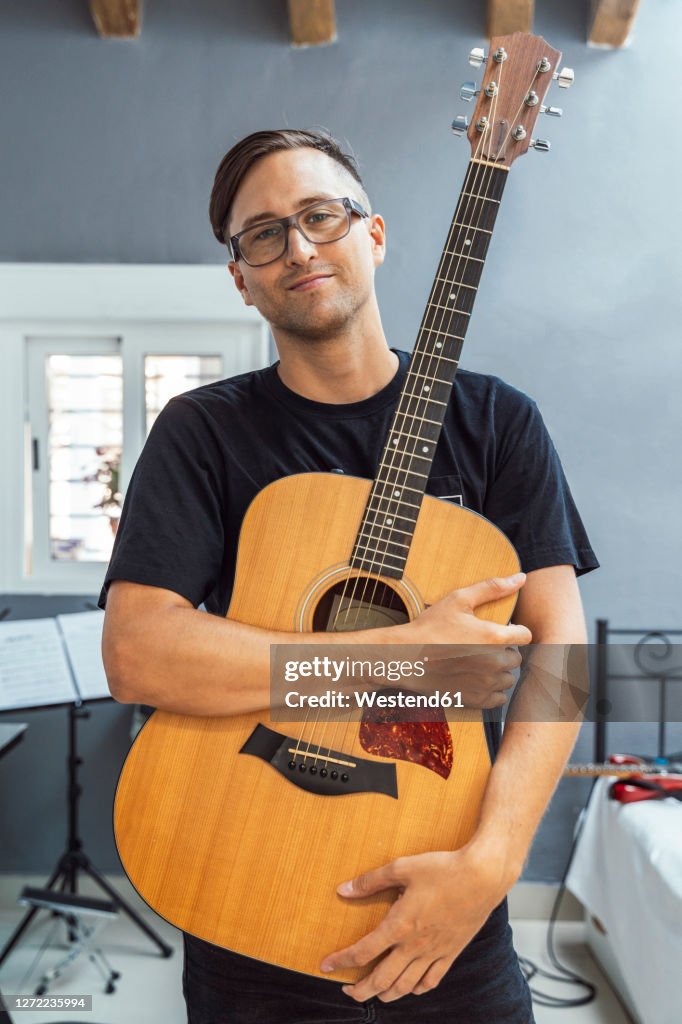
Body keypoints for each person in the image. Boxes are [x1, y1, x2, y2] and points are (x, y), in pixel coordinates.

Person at [100, 128, 598, 1023]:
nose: (298, 247)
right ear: (241, 278)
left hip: (445, 890)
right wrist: (390, 658)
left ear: (373, 234)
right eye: (264, 234)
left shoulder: (499, 423)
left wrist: (494, 863)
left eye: (321, 215)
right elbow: (139, 656)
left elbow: (561, 659)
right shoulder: (201, 433)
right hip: (236, 870)